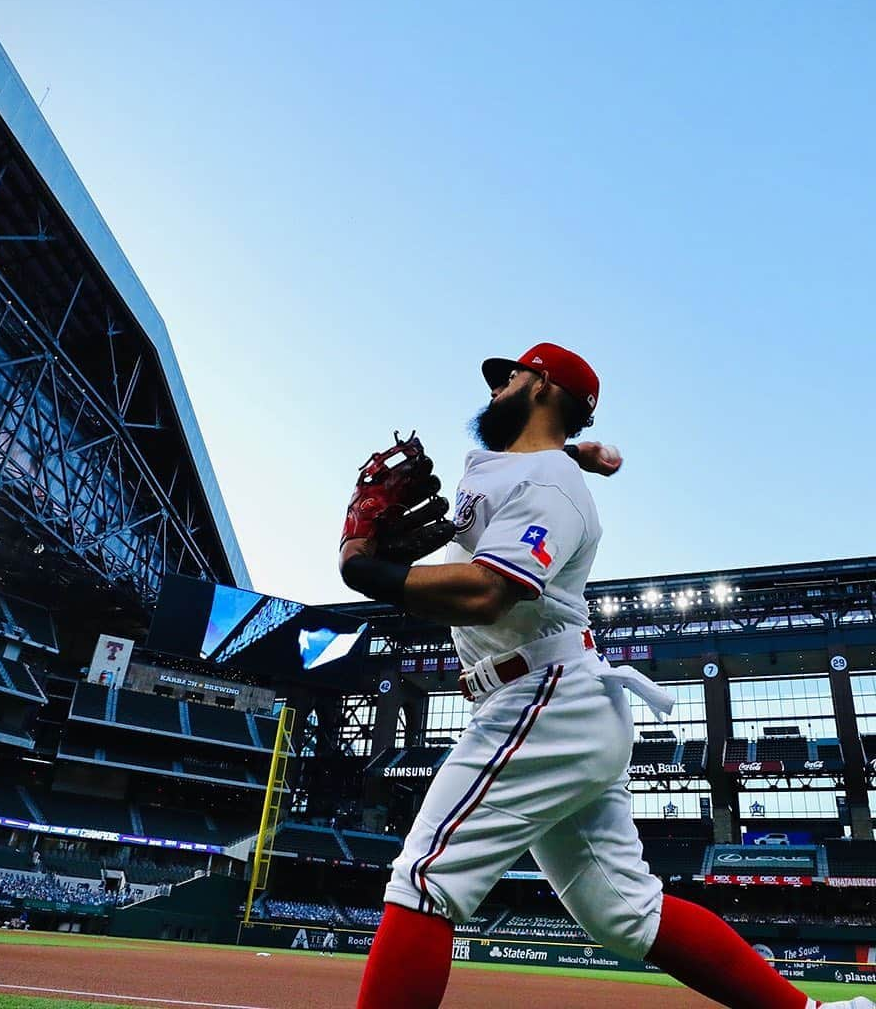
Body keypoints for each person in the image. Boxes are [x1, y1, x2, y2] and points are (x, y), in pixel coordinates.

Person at [341, 343, 869, 1009]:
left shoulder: (549, 486)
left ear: (541, 386)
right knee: (625, 911)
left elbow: (488, 593)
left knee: (425, 876)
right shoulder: (537, 470)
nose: (496, 387)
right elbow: (553, 471)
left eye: (510, 377)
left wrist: (366, 569)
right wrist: (584, 453)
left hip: (542, 695)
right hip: (552, 694)